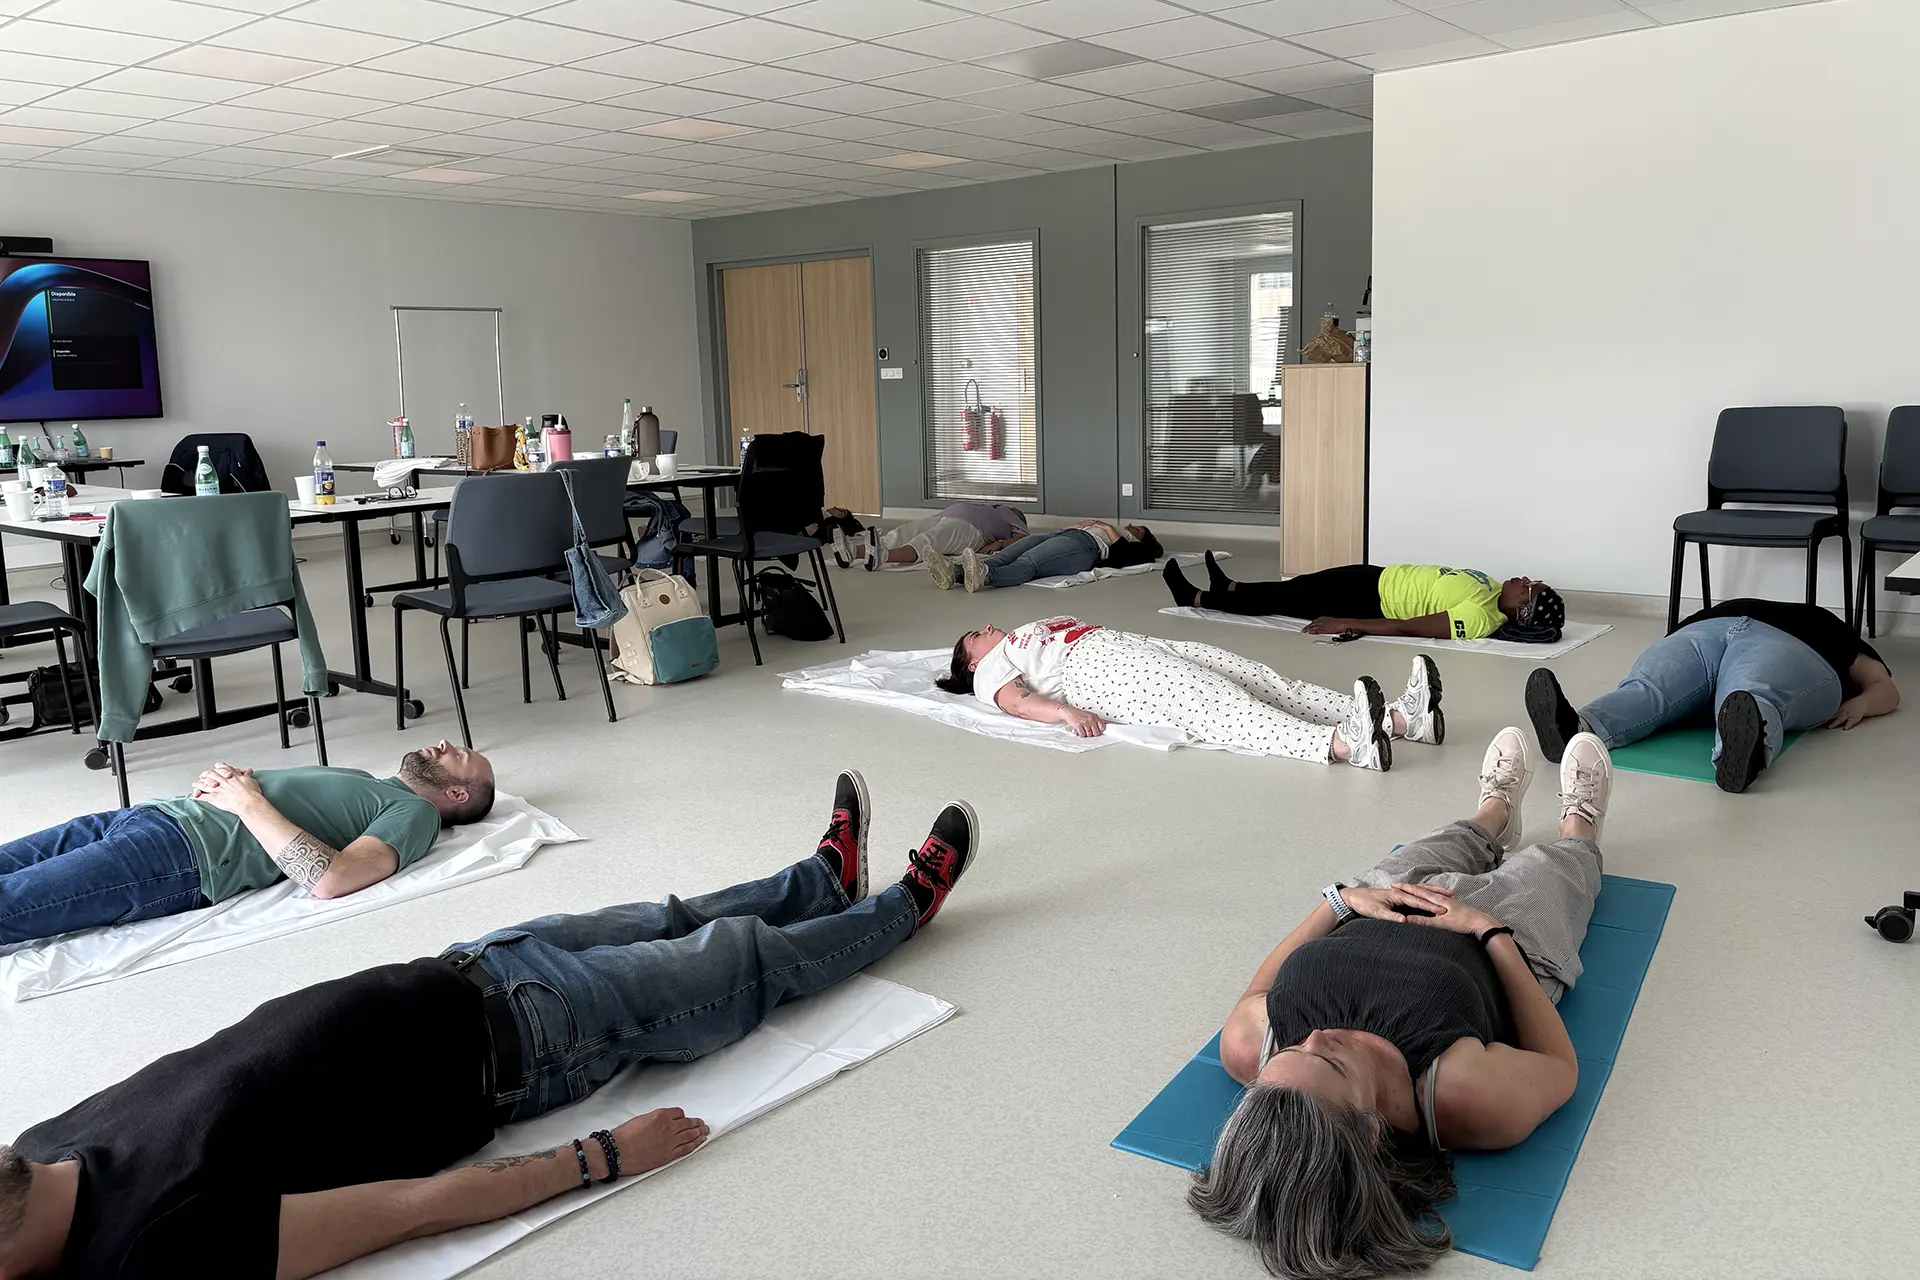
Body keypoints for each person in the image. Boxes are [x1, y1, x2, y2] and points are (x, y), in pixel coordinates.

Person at [0, 772, 978, 1280]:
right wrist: (601, 1156)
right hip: (529, 1045)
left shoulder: (39, 1148)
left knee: (672, 913)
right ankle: (900, 906)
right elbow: (404, 1210)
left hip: (458, 968)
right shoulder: (150, 1254)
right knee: (736, 966)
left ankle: (816, 879)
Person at [1189, 727, 1614, 1278]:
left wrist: (1340, 902)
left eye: (1291, 1049)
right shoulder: (1459, 1097)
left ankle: (1493, 816)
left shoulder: (1251, 1048)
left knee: (1434, 846)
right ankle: (1580, 825)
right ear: (1369, 1130)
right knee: (1557, 868)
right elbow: (1560, 1068)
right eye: (1331, 1061)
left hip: (1378, 905)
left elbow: (1258, 991)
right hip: (1500, 939)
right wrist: (1490, 932)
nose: (1315, 1035)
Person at [0, 741, 496, 946]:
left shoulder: (418, 813)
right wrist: (229, 781)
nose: (448, 745)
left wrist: (245, 800)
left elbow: (333, 878)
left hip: (182, 858)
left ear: (456, 794)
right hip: (154, 816)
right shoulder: (369, 781)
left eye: (462, 757)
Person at [935, 615, 1449, 771]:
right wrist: (1066, 712)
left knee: (1260, 679)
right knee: (1219, 704)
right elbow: (1017, 703)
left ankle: (1402, 721)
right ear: (972, 660)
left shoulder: (1022, 632)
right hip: (1100, 672)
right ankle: (1342, 745)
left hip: (1127, 641)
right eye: (973, 633)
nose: (983, 626)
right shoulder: (988, 672)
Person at [1527, 596, 1898, 793]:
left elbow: (1885, 690)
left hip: (1771, 641)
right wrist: (1863, 702)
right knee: (1662, 689)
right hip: (1713, 631)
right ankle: (1574, 728)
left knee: (1734, 691)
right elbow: (1885, 687)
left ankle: (1741, 754)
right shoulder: (1819, 620)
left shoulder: (1830, 628)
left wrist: (1861, 704)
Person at [1165, 552, 1566, 644]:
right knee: (1299, 584)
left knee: (1288, 600)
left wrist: (1346, 623)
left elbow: (1409, 627)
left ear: (1522, 608)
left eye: (1530, 587)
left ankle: (1197, 598)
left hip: (1369, 602)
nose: (1525, 579)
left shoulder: (1479, 617)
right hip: (1377, 578)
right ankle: (1229, 586)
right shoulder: (1493, 589)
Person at [925, 521, 1164, 592]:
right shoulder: (1116, 530)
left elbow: (1121, 556)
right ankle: (955, 572)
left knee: (1028, 563)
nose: (1132, 525)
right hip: (1064, 533)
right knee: (1004, 555)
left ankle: (986, 577)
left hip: (1084, 546)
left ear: (1142, 538)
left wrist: (1104, 526)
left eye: (1138, 528)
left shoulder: (1137, 548)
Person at [833, 501, 1027, 569]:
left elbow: (1024, 538)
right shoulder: (994, 508)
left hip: (972, 529)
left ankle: (883, 557)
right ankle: (853, 552)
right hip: (944, 516)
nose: (1011, 508)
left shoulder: (1013, 518)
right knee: (902, 533)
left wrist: (1000, 543)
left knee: (928, 541)